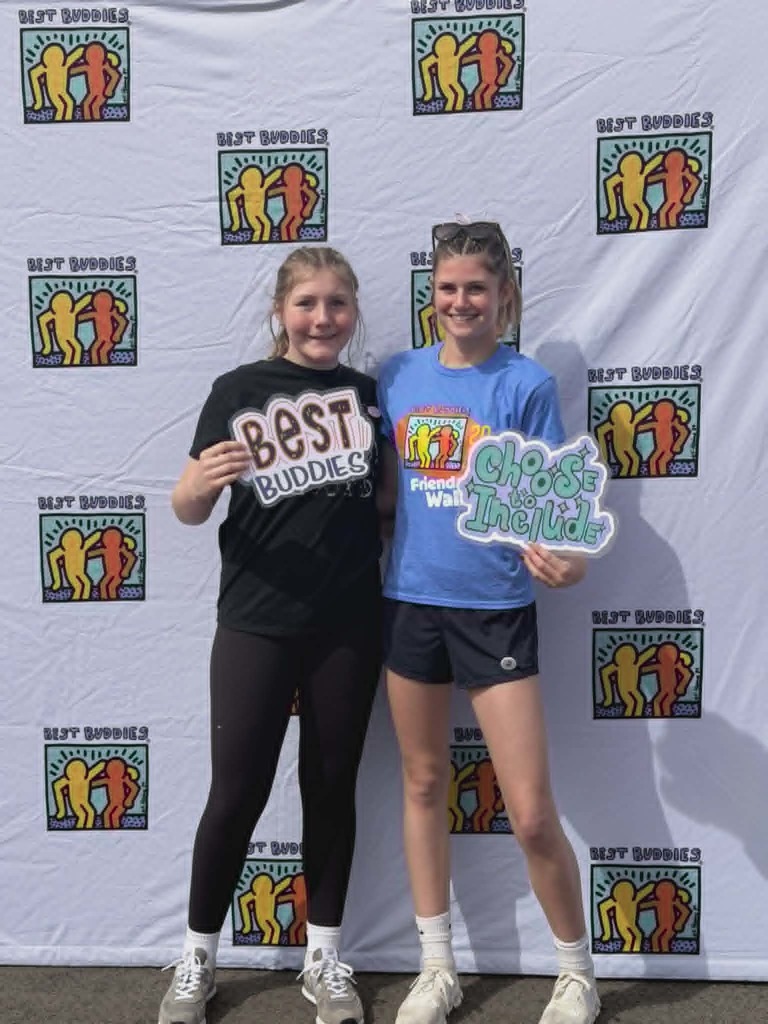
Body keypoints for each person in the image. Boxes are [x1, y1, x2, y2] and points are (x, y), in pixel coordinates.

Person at [377, 221, 601, 1024]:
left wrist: (568, 565)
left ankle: (577, 974)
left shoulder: (526, 384)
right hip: (410, 605)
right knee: (422, 782)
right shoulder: (396, 375)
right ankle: (437, 968)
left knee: (531, 813)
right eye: (448, 288)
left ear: (504, 295)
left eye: (476, 287)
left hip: (497, 612)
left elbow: (556, 519)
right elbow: (378, 493)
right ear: (431, 294)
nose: (461, 301)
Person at [158, 246, 383, 1024]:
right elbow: (189, 507)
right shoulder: (238, 390)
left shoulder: (368, 397)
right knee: (236, 792)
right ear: (280, 311)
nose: (323, 318)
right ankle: (197, 958)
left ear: (353, 313)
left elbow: (389, 503)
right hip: (256, 620)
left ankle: (325, 958)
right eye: (307, 303)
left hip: (349, 624)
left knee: (330, 787)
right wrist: (196, 485)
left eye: (337, 304)